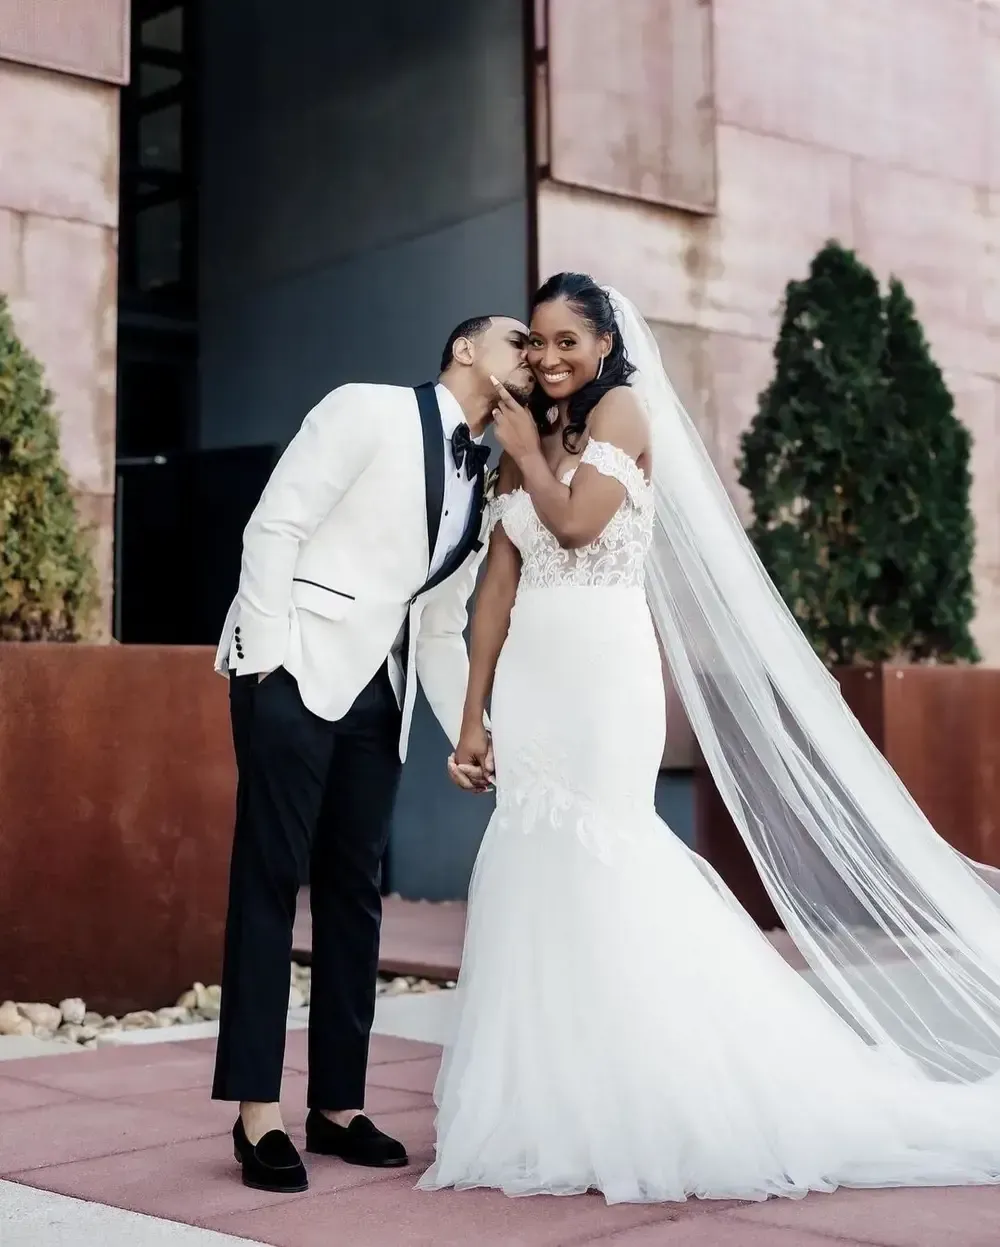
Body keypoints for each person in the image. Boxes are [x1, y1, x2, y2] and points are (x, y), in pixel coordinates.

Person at [420, 272, 1000, 1205]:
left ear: (606, 346)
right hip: (532, 686)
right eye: (538, 341)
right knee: (535, 866)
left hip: (607, 680)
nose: (553, 357)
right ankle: (557, 1095)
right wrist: (474, 714)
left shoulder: (624, 419)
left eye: (570, 340)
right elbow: (497, 587)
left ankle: (678, 1085)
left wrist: (524, 447)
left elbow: (574, 526)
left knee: (611, 857)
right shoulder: (530, 440)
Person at [211, 314, 532, 1193]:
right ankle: (257, 1112)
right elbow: (273, 527)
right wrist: (268, 657)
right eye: (518, 343)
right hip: (293, 667)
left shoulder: (484, 480)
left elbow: (436, 620)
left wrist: (471, 723)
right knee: (271, 877)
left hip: (378, 697)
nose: (533, 360)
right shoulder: (366, 409)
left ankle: (337, 1105)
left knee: (355, 893)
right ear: (466, 350)